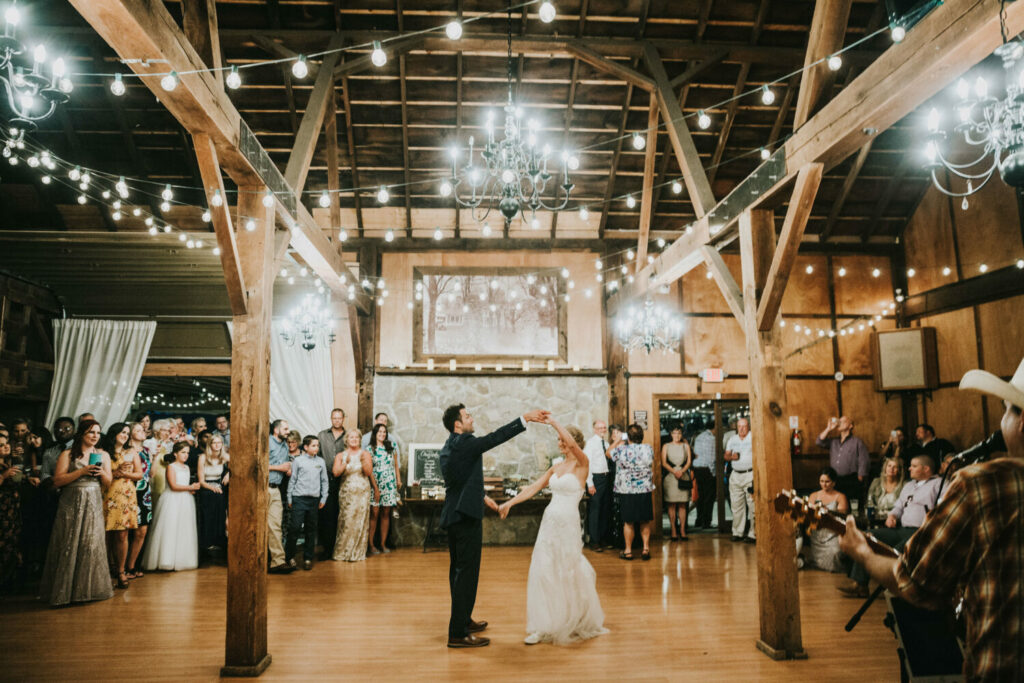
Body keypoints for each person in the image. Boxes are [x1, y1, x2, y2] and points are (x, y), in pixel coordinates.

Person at [839, 357, 1024, 681]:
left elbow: (915, 584)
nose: (1002, 421)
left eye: (1008, 409)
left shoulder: (986, 485)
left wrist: (863, 553)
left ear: (1022, 423)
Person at [440, 403, 549, 648]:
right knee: (465, 575)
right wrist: (525, 418)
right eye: (467, 416)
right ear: (458, 424)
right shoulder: (466, 443)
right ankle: (457, 634)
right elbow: (494, 438)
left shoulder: (450, 446)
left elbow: (459, 480)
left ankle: (464, 619)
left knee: (460, 574)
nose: (471, 418)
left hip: (456, 515)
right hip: (464, 517)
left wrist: (481, 497)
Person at [499, 418, 608, 646]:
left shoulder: (582, 464)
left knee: (567, 569)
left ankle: (573, 618)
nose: (559, 443)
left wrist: (554, 423)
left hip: (568, 523)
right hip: (549, 523)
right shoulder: (556, 466)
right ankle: (542, 625)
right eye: (558, 440)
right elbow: (533, 487)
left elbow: (572, 444)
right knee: (544, 570)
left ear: (573, 442)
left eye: (562, 440)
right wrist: (510, 503)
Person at [838, 453, 941, 598]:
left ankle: (896, 589)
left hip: (921, 531)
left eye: (914, 466)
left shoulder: (939, 484)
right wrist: (892, 516)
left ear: (926, 469)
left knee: (897, 550)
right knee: (867, 536)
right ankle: (860, 585)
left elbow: (943, 510)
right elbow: (898, 507)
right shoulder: (909, 485)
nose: (909, 469)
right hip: (901, 529)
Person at [39, 419, 114, 606]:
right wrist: (81, 472)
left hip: (94, 498)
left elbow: (108, 482)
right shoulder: (68, 454)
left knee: (91, 542)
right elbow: (57, 481)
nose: (95, 436)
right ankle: (65, 591)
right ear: (81, 434)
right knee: (68, 541)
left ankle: (89, 590)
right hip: (71, 500)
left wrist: (100, 473)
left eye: (98, 432)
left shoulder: (103, 455)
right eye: (91, 432)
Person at [142, 441, 199, 572]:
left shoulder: (187, 468)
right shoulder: (171, 467)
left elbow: (183, 485)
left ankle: (181, 559)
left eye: (187, 453)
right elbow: (173, 486)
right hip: (172, 500)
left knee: (183, 529)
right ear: (175, 453)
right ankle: (165, 560)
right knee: (170, 529)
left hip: (185, 500)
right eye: (183, 452)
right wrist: (190, 487)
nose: (186, 455)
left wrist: (190, 489)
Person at [608, 423, 656, 560]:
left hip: (627, 490)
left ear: (628, 436)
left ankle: (628, 551)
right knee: (644, 521)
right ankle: (646, 549)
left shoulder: (622, 450)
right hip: (644, 489)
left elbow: (608, 453)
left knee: (628, 522)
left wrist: (618, 440)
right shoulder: (648, 449)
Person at [102, 423, 140, 589]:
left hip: (126, 495)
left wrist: (126, 474)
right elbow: (97, 474)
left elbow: (139, 474)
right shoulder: (102, 453)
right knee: (105, 535)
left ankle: (121, 571)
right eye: (122, 432)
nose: (125, 435)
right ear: (114, 433)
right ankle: (104, 570)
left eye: (127, 433)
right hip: (107, 494)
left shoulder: (131, 452)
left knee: (122, 535)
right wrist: (116, 472)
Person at [332, 429, 379, 562]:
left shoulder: (365, 454)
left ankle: (357, 553)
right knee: (346, 520)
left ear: (360, 440)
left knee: (360, 521)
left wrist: (364, 461)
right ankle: (342, 552)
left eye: (356, 438)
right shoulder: (340, 455)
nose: (353, 440)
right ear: (346, 440)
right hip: (347, 493)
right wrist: (345, 463)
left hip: (362, 492)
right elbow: (336, 473)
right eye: (351, 437)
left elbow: (369, 472)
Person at [286, 436, 329, 571]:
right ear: (305, 447)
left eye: (317, 445)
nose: (316, 448)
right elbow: (292, 480)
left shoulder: (321, 462)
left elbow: (324, 481)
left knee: (311, 530)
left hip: (314, 500)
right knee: (295, 528)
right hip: (299, 498)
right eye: (313, 446)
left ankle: (308, 558)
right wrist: (289, 498)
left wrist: (323, 498)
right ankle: (289, 556)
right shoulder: (298, 461)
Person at [798, 467, 849, 572]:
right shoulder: (814, 495)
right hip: (818, 531)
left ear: (833, 483)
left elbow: (842, 517)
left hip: (833, 532)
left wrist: (828, 512)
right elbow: (808, 515)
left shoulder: (840, 496)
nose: (824, 484)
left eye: (827, 481)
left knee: (836, 553)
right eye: (821, 481)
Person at [816, 416, 870, 509]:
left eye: (843, 421)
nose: (839, 423)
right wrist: (829, 428)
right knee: (837, 507)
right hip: (835, 480)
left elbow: (864, 460)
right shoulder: (833, 441)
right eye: (839, 421)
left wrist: (860, 479)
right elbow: (819, 442)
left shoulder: (857, 442)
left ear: (850, 426)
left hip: (851, 481)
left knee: (852, 507)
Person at [317, 408, 347, 560]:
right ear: (331, 419)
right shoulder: (322, 435)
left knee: (342, 515)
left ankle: (340, 548)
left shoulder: (349, 436)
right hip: (326, 480)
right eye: (334, 418)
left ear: (343, 419)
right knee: (327, 515)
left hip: (344, 479)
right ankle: (327, 549)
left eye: (339, 418)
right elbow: (317, 456)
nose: (336, 420)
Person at [367, 423, 401, 555]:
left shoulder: (391, 447)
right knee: (374, 515)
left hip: (389, 485)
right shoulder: (370, 449)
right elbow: (369, 471)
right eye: (379, 432)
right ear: (375, 434)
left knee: (386, 515)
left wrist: (398, 479)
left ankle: (382, 543)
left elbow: (396, 465)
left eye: (384, 432)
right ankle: (371, 545)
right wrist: (375, 488)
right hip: (376, 485)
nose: (382, 434)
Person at [126, 422, 152, 579]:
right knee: (126, 531)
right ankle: (120, 567)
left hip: (145, 492)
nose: (143, 431)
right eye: (138, 430)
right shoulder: (126, 451)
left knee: (142, 530)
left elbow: (151, 473)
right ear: (130, 434)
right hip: (129, 490)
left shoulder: (147, 450)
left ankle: (132, 565)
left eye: (143, 430)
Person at [267, 419, 293, 574]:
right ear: (276, 430)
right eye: (285, 428)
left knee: (276, 526)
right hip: (262, 488)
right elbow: (257, 462)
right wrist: (280, 468)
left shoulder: (284, 445)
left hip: (276, 489)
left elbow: (284, 465)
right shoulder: (267, 442)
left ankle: (278, 562)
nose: (288, 431)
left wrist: (287, 469)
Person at [197, 433, 229, 556]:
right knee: (212, 499)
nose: (217, 445)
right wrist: (213, 488)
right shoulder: (203, 458)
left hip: (219, 486)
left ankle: (219, 541)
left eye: (219, 443)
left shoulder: (224, 456)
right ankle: (207, 543)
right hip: (207, 487)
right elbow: (201, 481)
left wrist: (228, 474)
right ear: (210, 444)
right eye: (214, 443)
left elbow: (238, 464)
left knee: (221, 503)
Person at [582, 419, 611, 552]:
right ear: (594, 429)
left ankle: (603, 538)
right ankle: (594, 541)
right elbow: (587, 464)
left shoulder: (606, 443)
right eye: (600, 428)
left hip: (606, 477)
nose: (602, 430)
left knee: (605, 509)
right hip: (596, 479)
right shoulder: (591, 444)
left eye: (604, 428)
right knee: (595, 510)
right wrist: (590, 484)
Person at [724, 417, 755, 542]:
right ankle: (738, 532)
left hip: (750, 473)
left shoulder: (753, 437)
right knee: (736, 505)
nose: (742, 429)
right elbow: (726, 455)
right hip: (736, 474)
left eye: (744, 426)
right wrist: (731, 457)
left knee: (752, 505)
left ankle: (753, 534)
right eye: (739, 426)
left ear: (748, 426)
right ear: (736, 427)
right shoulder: (732, 439)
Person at [661, 425, 693, 541]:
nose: (677, 436)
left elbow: (689, 461)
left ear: (682, 434)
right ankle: (673, 530)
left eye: (679, 433)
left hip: (683, 475)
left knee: (683, 504)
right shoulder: (666, 446)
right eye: (674, 433)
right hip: (671, 476)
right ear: (671, 434)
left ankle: (683, 530)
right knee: (671, 504)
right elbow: (663, 462)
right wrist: (674, 471)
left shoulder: (686, 446)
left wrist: (682, 471)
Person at [0, 434, 22, 591]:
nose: (6, 446)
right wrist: (4, 476)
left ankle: (8, 581)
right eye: (1, 445)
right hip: (1, 512)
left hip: (11, 511)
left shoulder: (7, 463)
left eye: (6, 443)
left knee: (11, 544)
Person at [691, 420, 716, 529]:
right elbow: (711, 458)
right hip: (707, 469)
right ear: (715, 428)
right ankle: (706, 522)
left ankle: (699, 520)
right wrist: (713, 472)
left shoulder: (699, 436)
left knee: (701, 496)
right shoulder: (711, 438)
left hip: (697, 469)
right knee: (709, 497)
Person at [144, 419, 174, 509]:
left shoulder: (166, 445)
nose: (167, 433)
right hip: (154, 476)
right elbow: (148, 462)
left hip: (165, 476)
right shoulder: (149, 443)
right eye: (164, 430)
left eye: (168, 431)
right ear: (156, 431)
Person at [865, 456, 905, 522]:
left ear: (899, 470)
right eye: (889, 466)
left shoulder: (904, 485)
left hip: (895, 519)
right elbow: (869, 501)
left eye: (895, 467)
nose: (891, 469)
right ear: (885, 468)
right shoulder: (876, 482)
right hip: (877, 518)